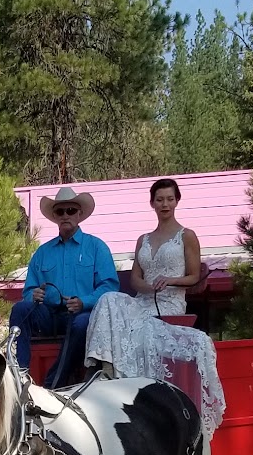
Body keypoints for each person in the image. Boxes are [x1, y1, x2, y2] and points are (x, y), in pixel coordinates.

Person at [85, 178, 228, 432]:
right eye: (160, 199)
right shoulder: (143, 239)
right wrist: (147, 287)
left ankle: (118, 374)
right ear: (152, 203)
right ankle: (102, 365)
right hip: (143, 301)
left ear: (177, 201)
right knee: (108, 299)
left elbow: (194, 276)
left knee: (137, 328)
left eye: (169, 199)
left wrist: (170, 281)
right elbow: (135, 279)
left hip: (170, 304)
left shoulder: (187, 236)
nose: (165, 204)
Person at [11, 186, 120, 388]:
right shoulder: (42, 252)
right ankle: (20, 373)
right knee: (20, 309)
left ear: (79, 214)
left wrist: (84, 302)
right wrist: (33, 295)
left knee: (82, 323)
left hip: (82, 315)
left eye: (70, 210)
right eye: (60, 211)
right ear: (54, 216)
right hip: (49, 315)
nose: (65, 215)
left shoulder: (97, 247)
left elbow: (110, 287)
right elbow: (28, 291)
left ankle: (55, 381)